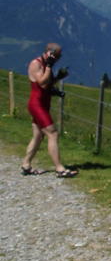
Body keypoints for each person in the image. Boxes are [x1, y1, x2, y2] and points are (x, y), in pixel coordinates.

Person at [20, 43, 77, 178]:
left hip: (44, 104)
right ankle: (59, 168)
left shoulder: (46, 64)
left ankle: (26, 165)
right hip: (37, 105)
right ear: (49, 53)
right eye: (56, 56)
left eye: (59, 56)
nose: (58, 59)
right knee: (53, 133)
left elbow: (47, 86)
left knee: (38, 136)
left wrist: (58, 78)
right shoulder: (36, 64)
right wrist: (50, 66)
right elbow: (41, 82)